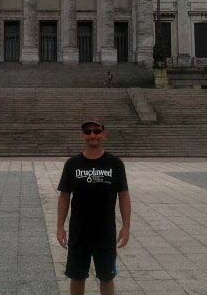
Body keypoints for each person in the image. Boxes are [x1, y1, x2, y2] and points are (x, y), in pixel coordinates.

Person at [57, 120, 131, 295]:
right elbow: (64, 196)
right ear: (82, 135)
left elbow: (124, 196)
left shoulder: (115, 163)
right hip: (79, 230)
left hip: (105, 231)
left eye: (97, 131)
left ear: (104, 134)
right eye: (88, 131)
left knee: (106, 277)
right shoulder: (72, 164)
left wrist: (126, 227)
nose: (92, 135)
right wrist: (60, 226)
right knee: (77, 276)